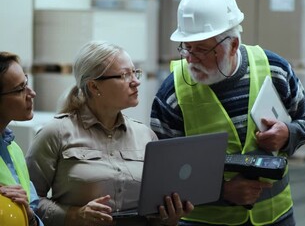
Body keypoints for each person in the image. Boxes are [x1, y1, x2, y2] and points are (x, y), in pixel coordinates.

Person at [150, 0, 305, 225]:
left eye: (203, 49)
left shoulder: (275, 70)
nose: (191, 59)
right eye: (187, 47)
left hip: (276, 217)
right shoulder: (171, 94)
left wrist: (287, 134)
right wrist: (223, 192)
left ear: (234, 45)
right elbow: (163, 175)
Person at [26, 41, 194, 226]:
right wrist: (74, 215)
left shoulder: (145, 136)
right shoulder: (55, 133)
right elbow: (30, 200)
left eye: (135, 72)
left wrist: (167, 217)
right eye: (124, 75)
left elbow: (155, 212)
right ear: (94, 86)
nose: (136, 82)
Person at [0, 51, 43, 226]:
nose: (31, 93)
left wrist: (30, 216)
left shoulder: (13, 148)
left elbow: (32, 211)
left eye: (26, 84)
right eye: (20, 89)